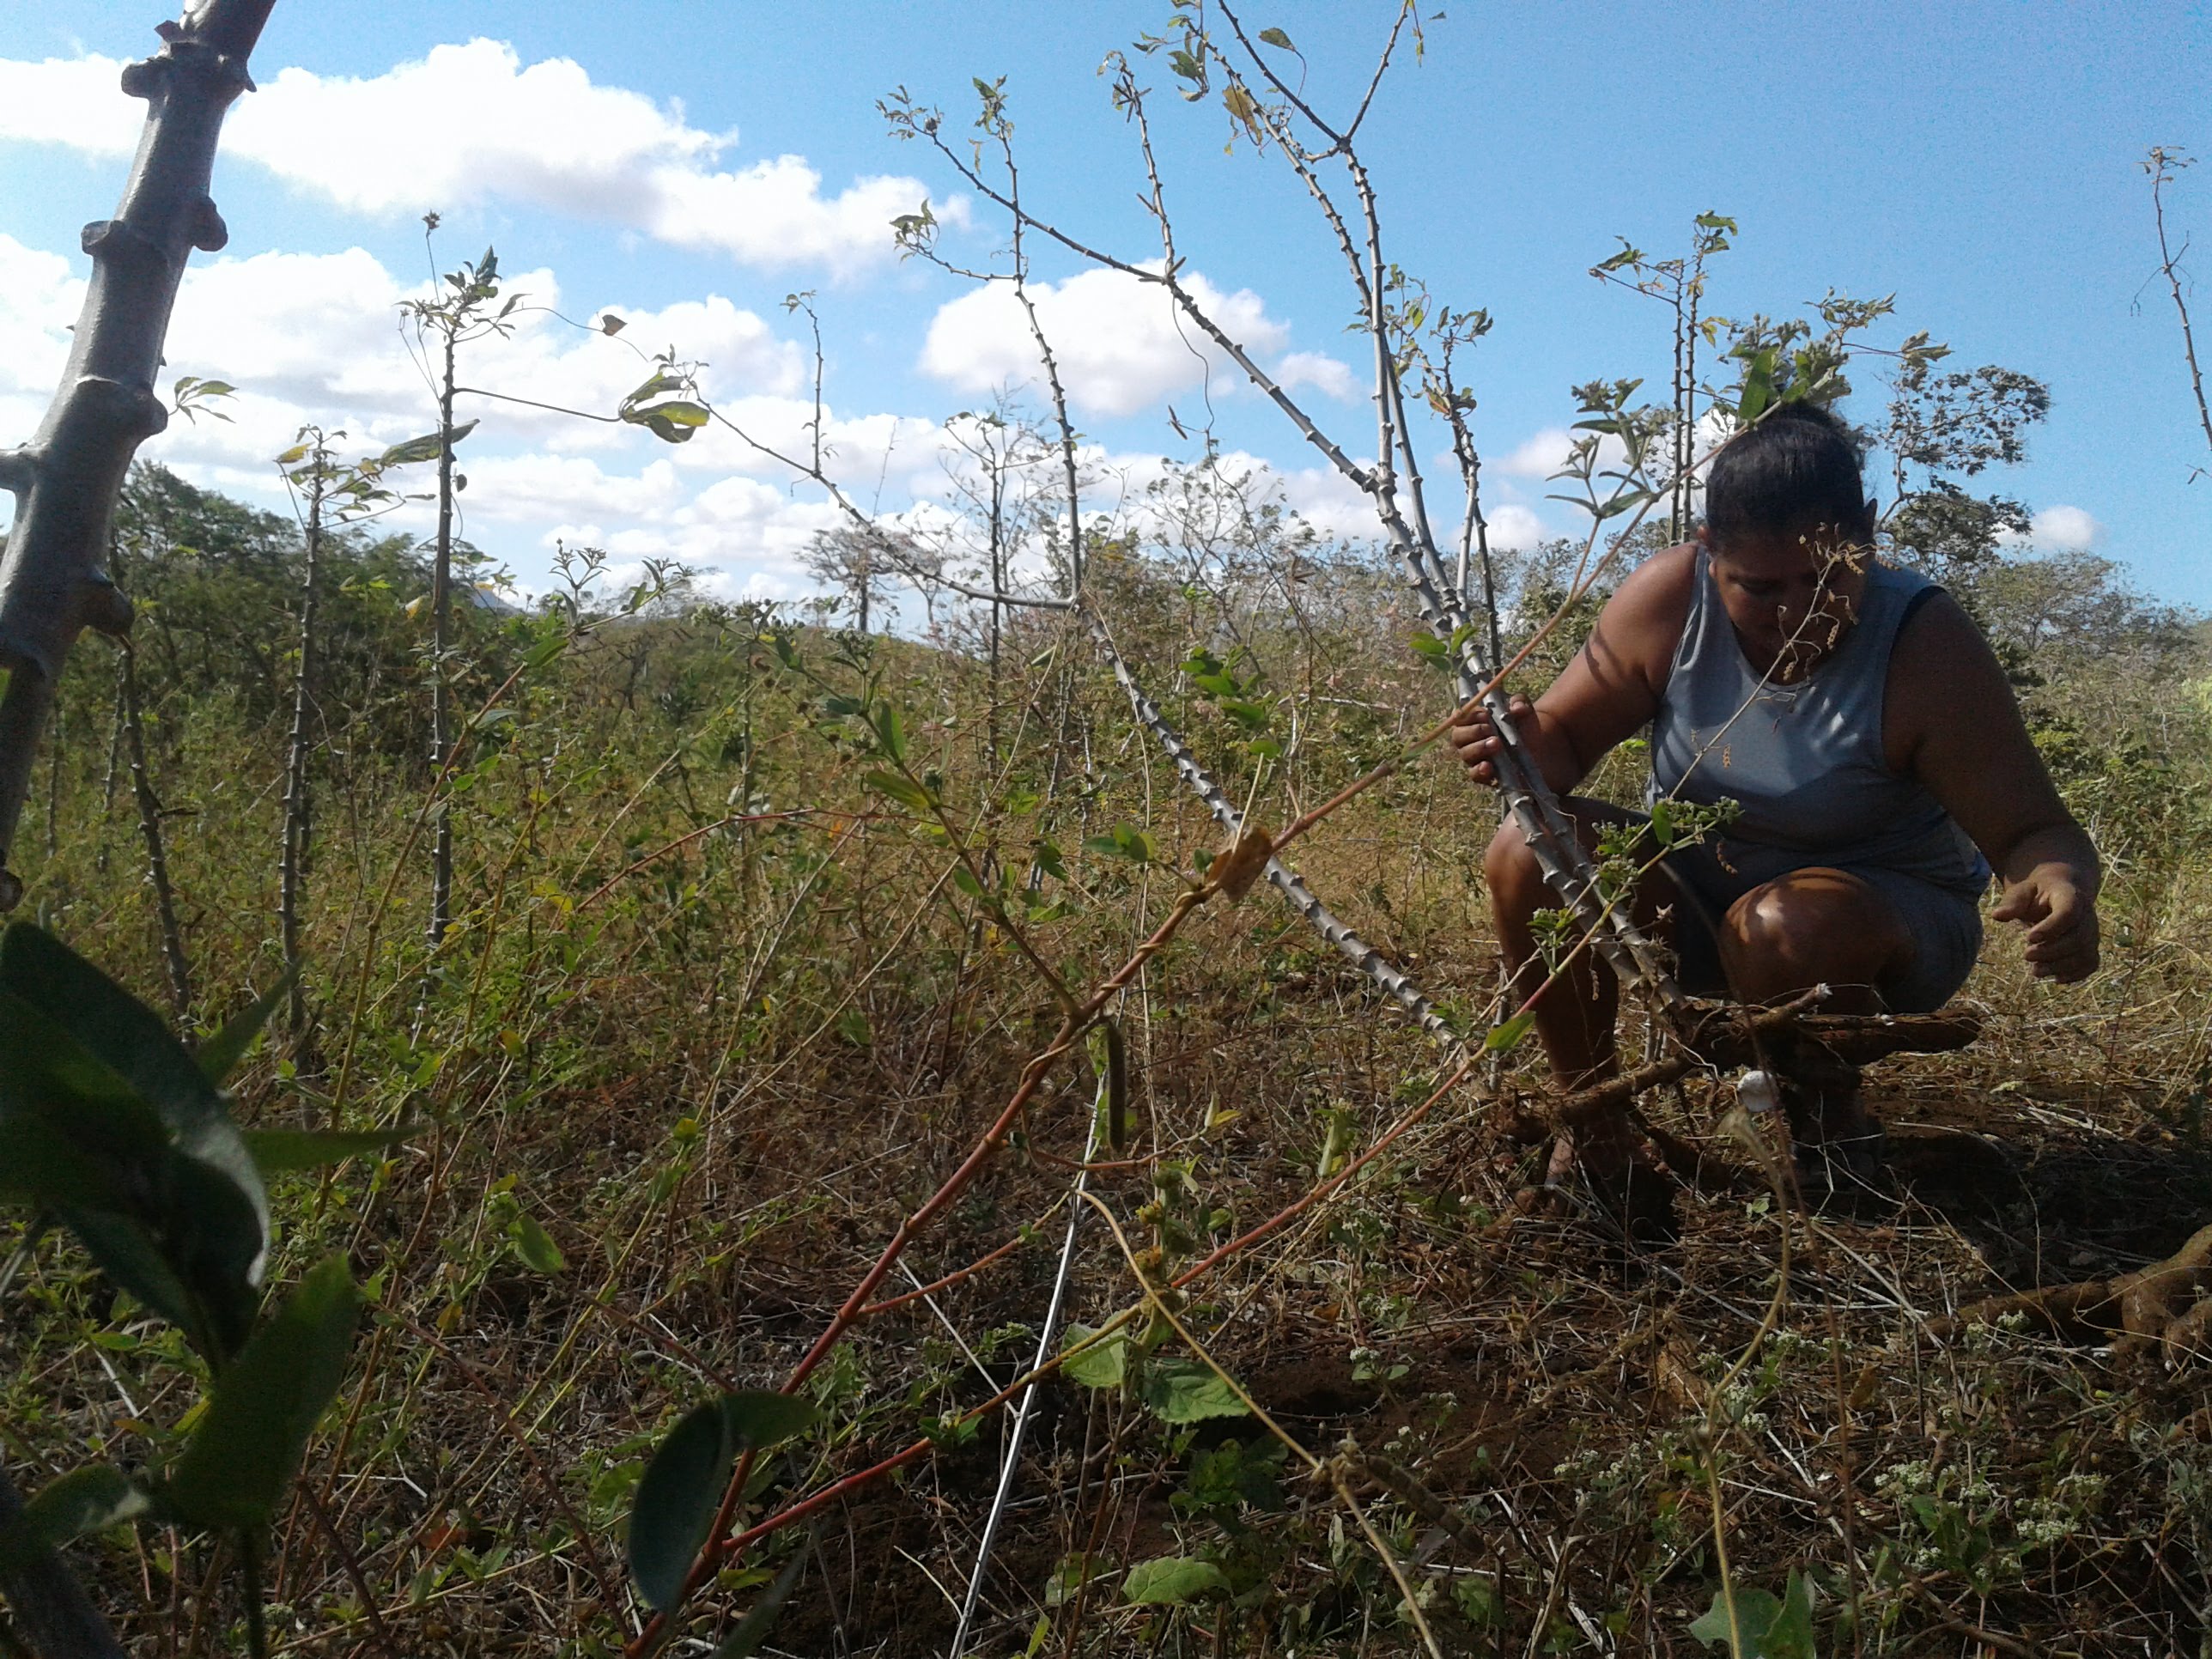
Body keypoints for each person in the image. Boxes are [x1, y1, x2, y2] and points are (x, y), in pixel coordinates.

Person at [1450, 402, 2100, 1228]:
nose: (1798, 610)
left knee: (1787, 926)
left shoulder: (1924, 644)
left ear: (1866, 534)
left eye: (1828, 578)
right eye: (1759, 588)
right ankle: (1595, 1123)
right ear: (1707, 548)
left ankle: (1826, 1138)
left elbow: (2032, 834)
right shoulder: (1667, 599)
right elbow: (1564, 749)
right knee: (1524, 849)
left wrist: (2060, 885)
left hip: (1871, 926)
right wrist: (1511, 742)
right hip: (1700, 905)